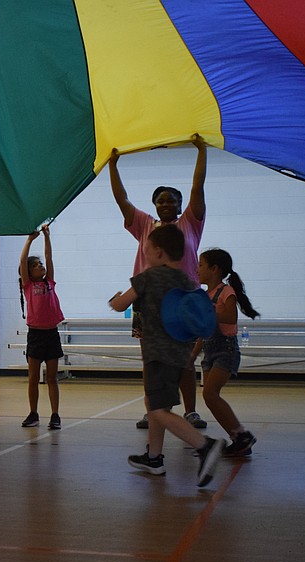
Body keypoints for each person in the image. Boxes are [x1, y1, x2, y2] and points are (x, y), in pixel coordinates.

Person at [109, 224, 225, 486]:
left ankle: (205, 446)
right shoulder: (186, 280)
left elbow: (121, 304)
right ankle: (154, 458)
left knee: (158, 409)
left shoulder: (148, 276)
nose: (145, 254)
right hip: (179, 354)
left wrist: (114, 299)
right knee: (156, 403)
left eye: (147, 250)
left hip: (157, 354)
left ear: (159, 252)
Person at [109, 135, 209, 430]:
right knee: (151, 360)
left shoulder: (189, 223)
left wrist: (202, 151)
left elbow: (197, 187)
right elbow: (121, 199)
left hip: (183, 302)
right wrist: (113, 165)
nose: (166, 204)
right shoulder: (144, 225)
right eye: (161, 200)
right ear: (154, 204)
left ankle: (190, 412)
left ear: (180, 205)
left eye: (171, 200)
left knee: (185, 360)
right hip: (149, 303)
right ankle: (153, 410)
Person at [196, 248, 260, 457]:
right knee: (209, 397)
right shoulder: (205, 296)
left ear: (214, 269)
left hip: (226, 350)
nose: (197, 269)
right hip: (209, 351)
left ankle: (242, 435)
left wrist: (207, 313)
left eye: (201, 265)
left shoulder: (226, 292)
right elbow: (203, 330)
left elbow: (231, 318)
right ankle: (238, 437)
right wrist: (193, 354)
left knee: (210, 393)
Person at [18, 224, 65, 429]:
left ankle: (55, 415)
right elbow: (22, 261)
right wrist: (30, 239)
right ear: (28, 272)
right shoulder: (28, 285)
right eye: (36, 265)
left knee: (52, 378)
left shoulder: (49, 282)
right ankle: (33, 413)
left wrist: (47, 236)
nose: (40, 266)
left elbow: (49, 256)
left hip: (51, 335)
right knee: (33, 378)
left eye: (40, 264)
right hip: (35, 336)